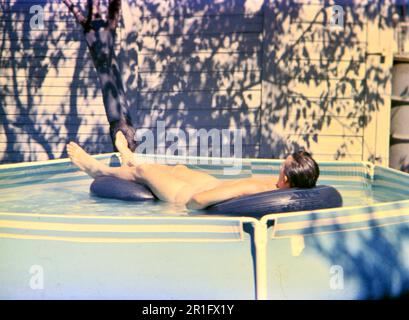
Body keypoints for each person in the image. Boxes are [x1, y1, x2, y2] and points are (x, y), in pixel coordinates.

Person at [66, 133, 320, 209]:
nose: (279, 163)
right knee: (178, 167)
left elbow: (199, 201)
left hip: (186, 195)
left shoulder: (256, 188)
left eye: (283, 163)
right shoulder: (279, 186)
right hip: (209, 182)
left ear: (286, 176)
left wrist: (184, 211)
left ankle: (95, 168)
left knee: (144, 172)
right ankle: (129, 158)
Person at [62, 0, 136, 151]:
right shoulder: (92, 30)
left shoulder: (102, 29)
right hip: (120, 125)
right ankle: (124, 142)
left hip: (122, 124)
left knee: (111, 75)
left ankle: (126, 141)